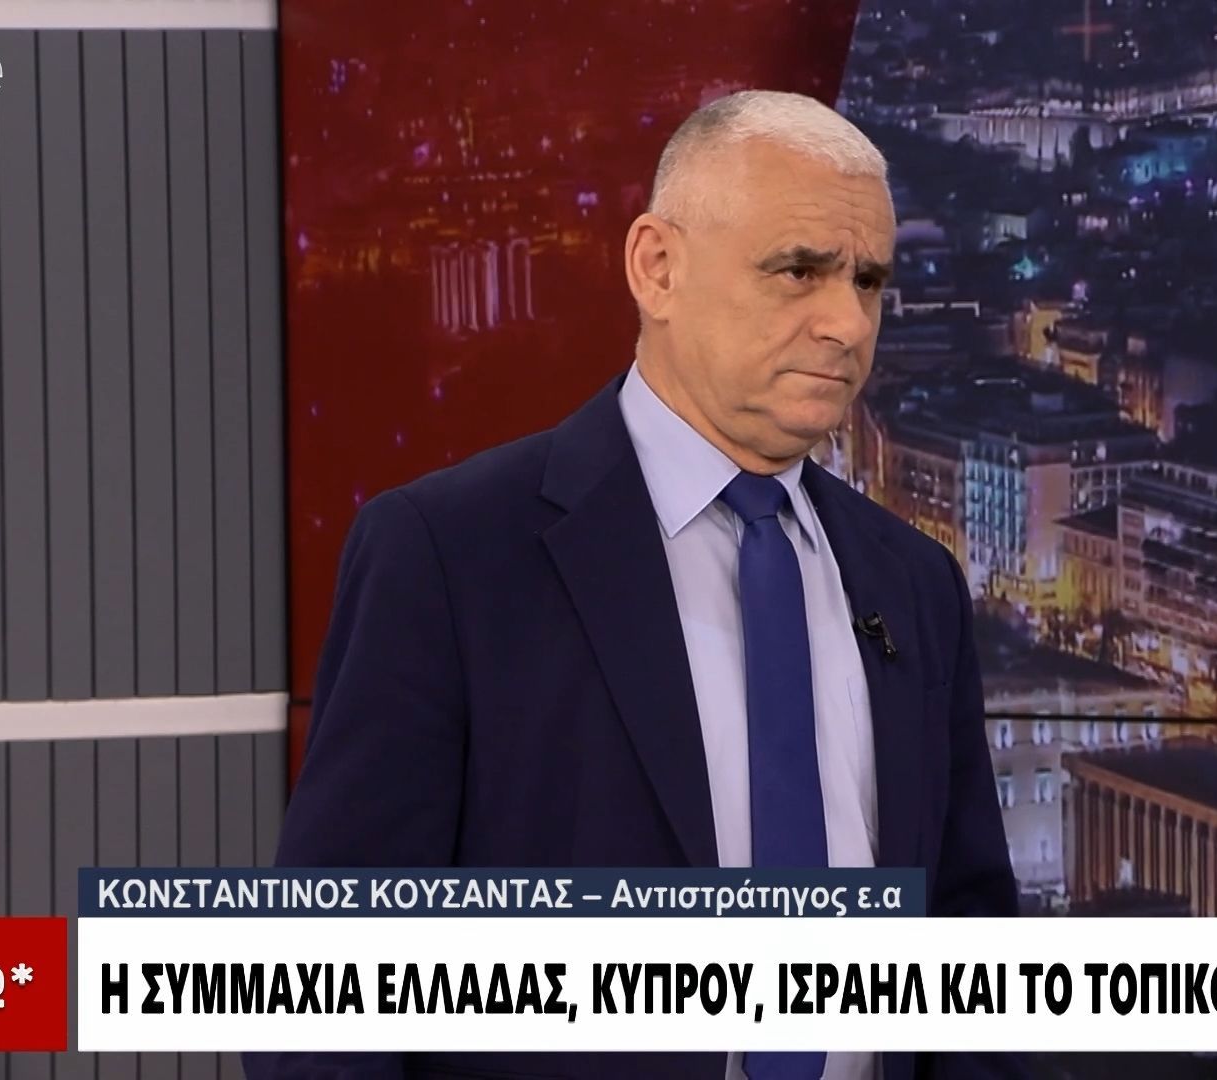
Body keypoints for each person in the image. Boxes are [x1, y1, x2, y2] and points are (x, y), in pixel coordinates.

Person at [248, 90, 1022, 1080]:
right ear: (657, 267)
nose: (846, 322)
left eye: (868, 280)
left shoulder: (913, 580)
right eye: (799, 270)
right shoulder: (448, 555)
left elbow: (969, 950)